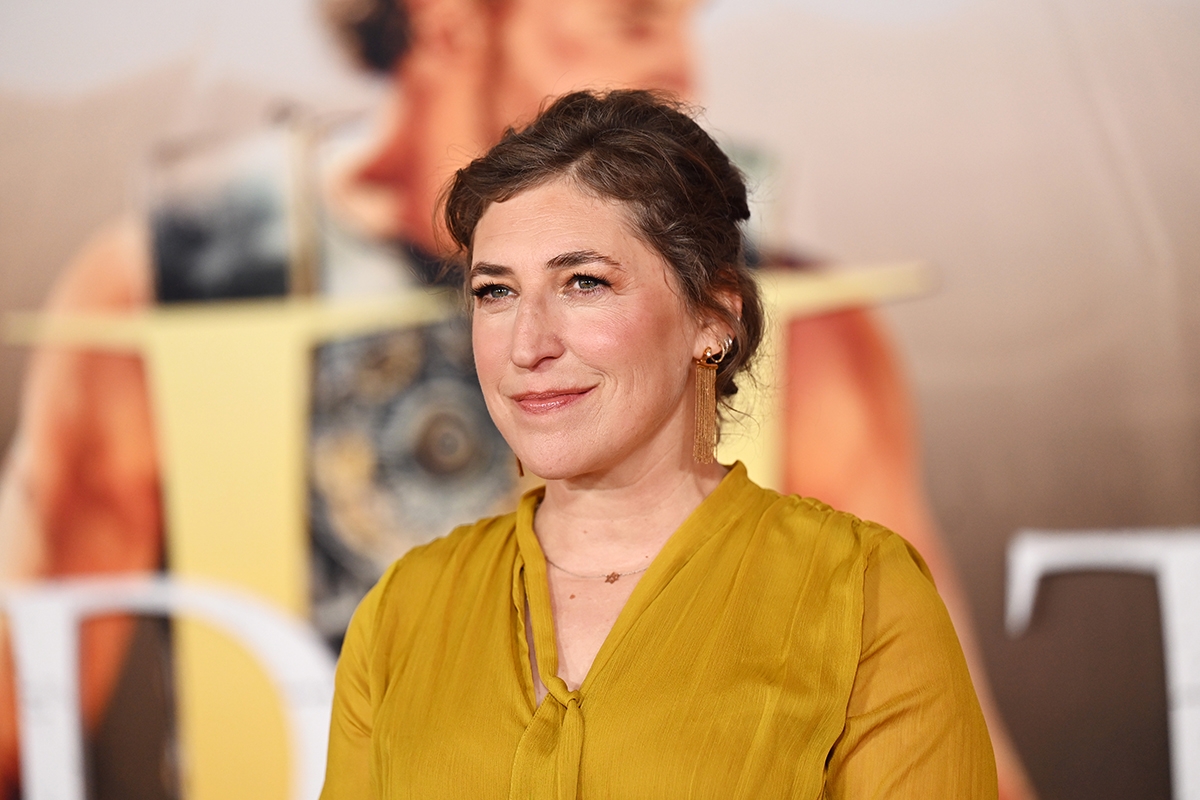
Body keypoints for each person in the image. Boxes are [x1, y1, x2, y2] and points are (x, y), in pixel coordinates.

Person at [0, 1, 1035, 799]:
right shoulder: (166, 292)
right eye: (632, 14)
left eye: (586, 282)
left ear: (717, 319)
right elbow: (20, 721)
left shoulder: (813, 337)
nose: (684, 68)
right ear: (450, 14)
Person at [320, 89, 997, 798]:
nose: (527, 344)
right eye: (496, 293)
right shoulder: (407, 608)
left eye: (584, 283)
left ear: (713, 319)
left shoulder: (860, 593)